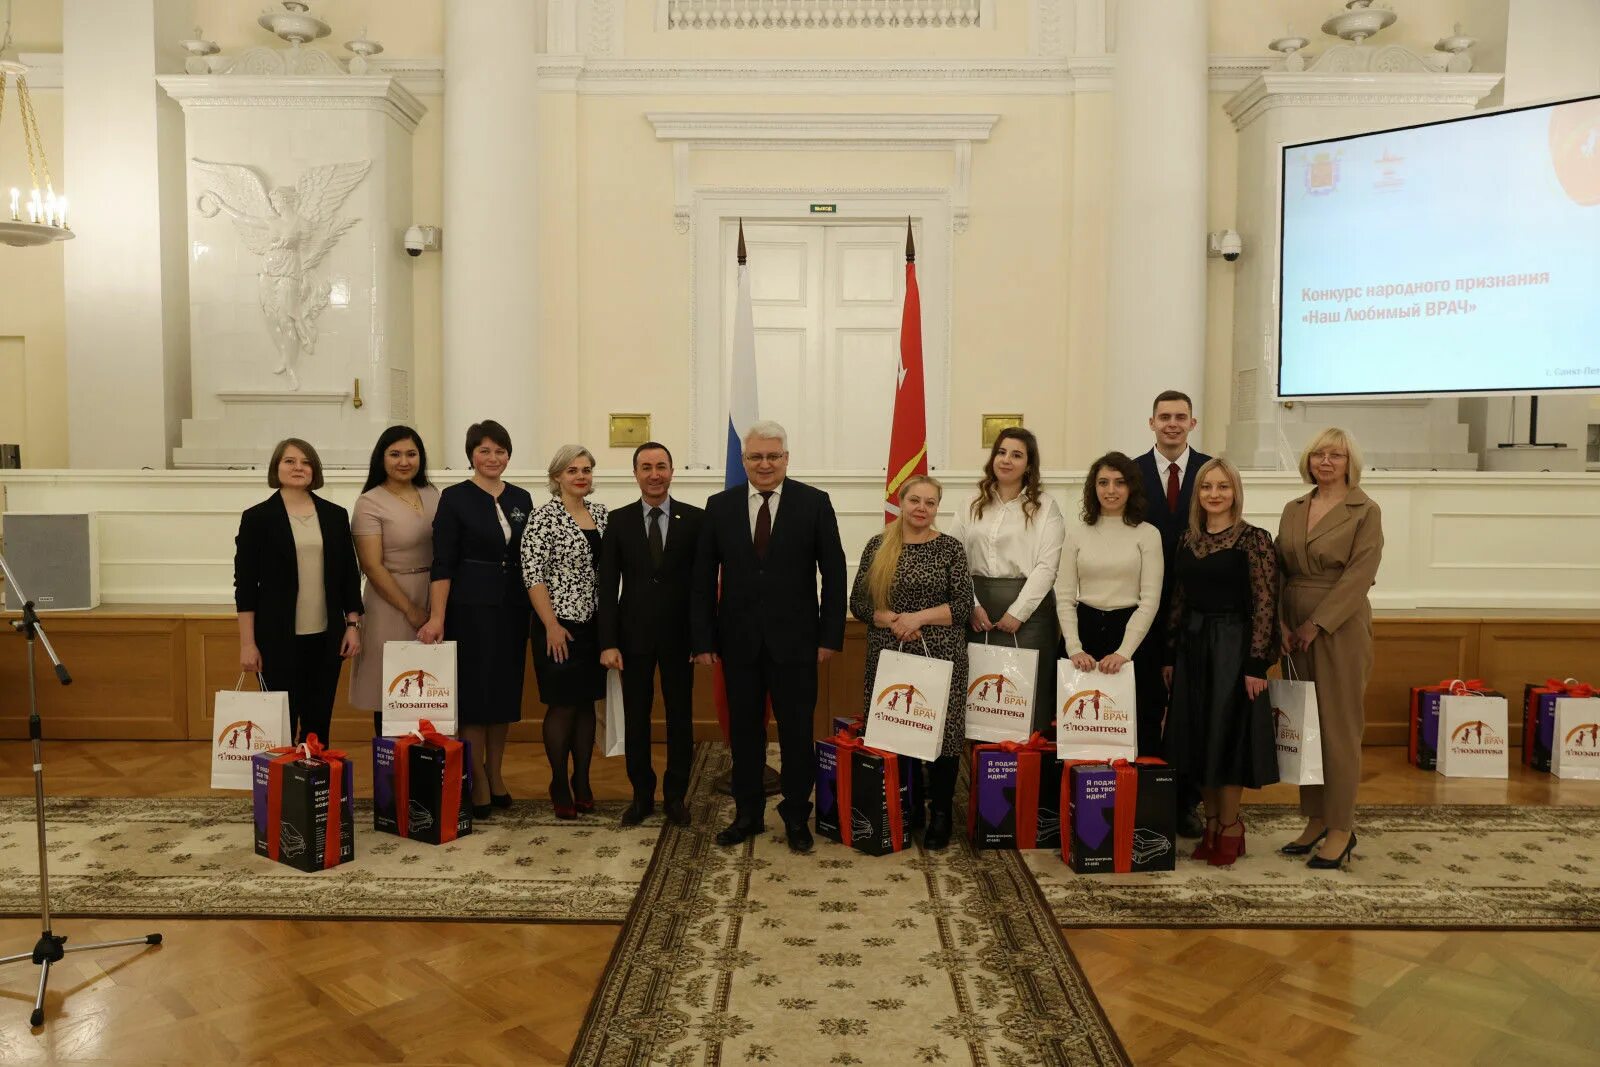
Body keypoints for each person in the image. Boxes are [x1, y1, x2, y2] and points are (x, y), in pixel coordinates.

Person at [692, 420, 847, 853]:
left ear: (786, 458)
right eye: (756, 457)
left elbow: (834, 573)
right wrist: (703, 639)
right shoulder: (719, 506)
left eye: (773, 456)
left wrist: (831, 635)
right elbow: (703, 579)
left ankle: (797, 816)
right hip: (737, 643)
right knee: (744, 734)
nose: (764, 464)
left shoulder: (814, 503)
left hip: (797, 644)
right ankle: (748, 814)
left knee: (797, 733)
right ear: (743, 461)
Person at [1162, 457, 1280, 866]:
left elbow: (1266, 602)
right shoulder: (1187, 540)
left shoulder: (1254, 540)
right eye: (1207, 486)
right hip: (1191, 649)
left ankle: (1230, 826)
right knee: (1197, 739)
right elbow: (1178, 598)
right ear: (1198, 494)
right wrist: (1170, 653)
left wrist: (1256, 665)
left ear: (1236, 493)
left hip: (1234, 649)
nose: (1214, 494)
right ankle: (1210, 822)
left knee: (1226, 738)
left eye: (1223, 487)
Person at [1276, 428, 1383, 870]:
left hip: (1339, 629)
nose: (1326, 461)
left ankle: (1341, 827)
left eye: (1335, 455)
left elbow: (1360, 576)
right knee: (1305, 726)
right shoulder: (1294, 508)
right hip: (1291, 628)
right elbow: (1279, 567)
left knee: (1338, 730)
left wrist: (1315, 624)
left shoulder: (1365, 510)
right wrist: (1281, 624)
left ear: (1348, 462)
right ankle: (1315, 818)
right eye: (1319, 453)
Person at [849, 476, 972, 849]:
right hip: (890, 652)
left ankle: (940, 813)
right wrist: (895, 621)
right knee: (899, 729)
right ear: (901, 502)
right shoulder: (878, 546)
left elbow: (962, 606)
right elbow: (860, 603)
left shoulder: (950, 548)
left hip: (941, 653)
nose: (921, 508)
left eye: (930, 502)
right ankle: (907, 806)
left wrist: (916, 618)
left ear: (937, 508)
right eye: (915, 500)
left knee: (943, 736)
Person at [420, 420, 533, 820]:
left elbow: (530, 557)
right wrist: (436, 617)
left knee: (503, 697)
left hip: (514, 610)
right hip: (469, 609)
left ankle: (496, 773)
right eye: (485, 451)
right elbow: (442, 562)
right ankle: (476, 780)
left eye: (500, 451)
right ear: (471, 454)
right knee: (475, 698)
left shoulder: (521, 497)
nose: (493, 458)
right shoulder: (455, 498)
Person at [598, 441, 704, 828]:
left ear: (672, 471)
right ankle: (641, 795)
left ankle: (676, 796)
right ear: (636, 474)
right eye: (646, 467)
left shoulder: (695, 520)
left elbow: (702, 586)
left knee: (681, 718)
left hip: (682, 640)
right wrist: (608, 641)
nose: (654, 474)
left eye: (661, 465)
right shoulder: (619, 521)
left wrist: (701, 638)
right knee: (636, 718)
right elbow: (608, 587)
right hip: (632, 639)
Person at [234, 438, 363, 745]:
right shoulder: (257, 518)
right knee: (280, 725)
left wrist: (353, 624)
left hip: (327, 637)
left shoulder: (334, 515)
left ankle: (316, 788)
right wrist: (247, 644)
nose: (298, 467)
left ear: (314, 469)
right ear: (276, 467)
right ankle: (283, 792)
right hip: (276, 640)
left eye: (305, 462)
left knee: (318, 723)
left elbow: (348, 574)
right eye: (289, 461)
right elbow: (245, 585)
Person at [945, 427, 1066, 733]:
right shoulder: (971, 502)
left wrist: (1018, 612)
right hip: (976, 612)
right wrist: (970, 605)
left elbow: (1046, 566)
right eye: (1001, 452)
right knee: (979, 698)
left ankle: (1022, 775)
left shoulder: (1045, 507)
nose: (1007, 460)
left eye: (1016, 455)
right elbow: (953, 557)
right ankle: (979, 777)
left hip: (1029, 615)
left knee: (1023, 700)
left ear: (1029, 464)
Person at [1135, 389, 1212, 839]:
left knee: (1190, 713)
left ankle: (1187, 802)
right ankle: (1146, 796)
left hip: (1196, 611)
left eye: (1180, 417)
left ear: (1192, 423)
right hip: (1141, 609)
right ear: (1151, 423)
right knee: (1147, 706)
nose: (1172, 424)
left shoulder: (1210, 472)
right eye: (1164, 417)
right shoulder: (1131, 472)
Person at [522, 444, 609, 820]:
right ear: (557, 477)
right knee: (562, 705)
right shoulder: (543, 518)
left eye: (586, 469)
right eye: (572, 470)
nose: (581, 476)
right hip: (557, 627)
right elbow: (533, 574)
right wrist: (551, 626)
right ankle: (559, 780)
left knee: (587, 703)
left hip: (595, 626)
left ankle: (584, 780)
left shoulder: (604, 515)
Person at [1057, 452, 1164, 746]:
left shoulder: (1148, 534)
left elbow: (1150, 600)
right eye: (1103, 482)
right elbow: (1065, 596)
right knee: (1081, 729)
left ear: (1131, 488)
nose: (1111, 490)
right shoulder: (1077, 534)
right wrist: (1073, 648)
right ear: (1093, 488)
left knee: (1136, 727)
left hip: (1133, 639)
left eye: (1119, 482)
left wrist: (1124, 653)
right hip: (1085, 634)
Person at [349, 426, 441, 732]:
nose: (404, 461)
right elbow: (372, 566)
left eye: (411, 454)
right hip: (389, 601)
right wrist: (411, 610)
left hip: (434, 595)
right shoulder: (369, 502)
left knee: (430, 688)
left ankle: (426, 769)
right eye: (395, 454)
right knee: (391, 691)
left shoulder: (433, 494)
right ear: (382, 459)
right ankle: (391, 773)